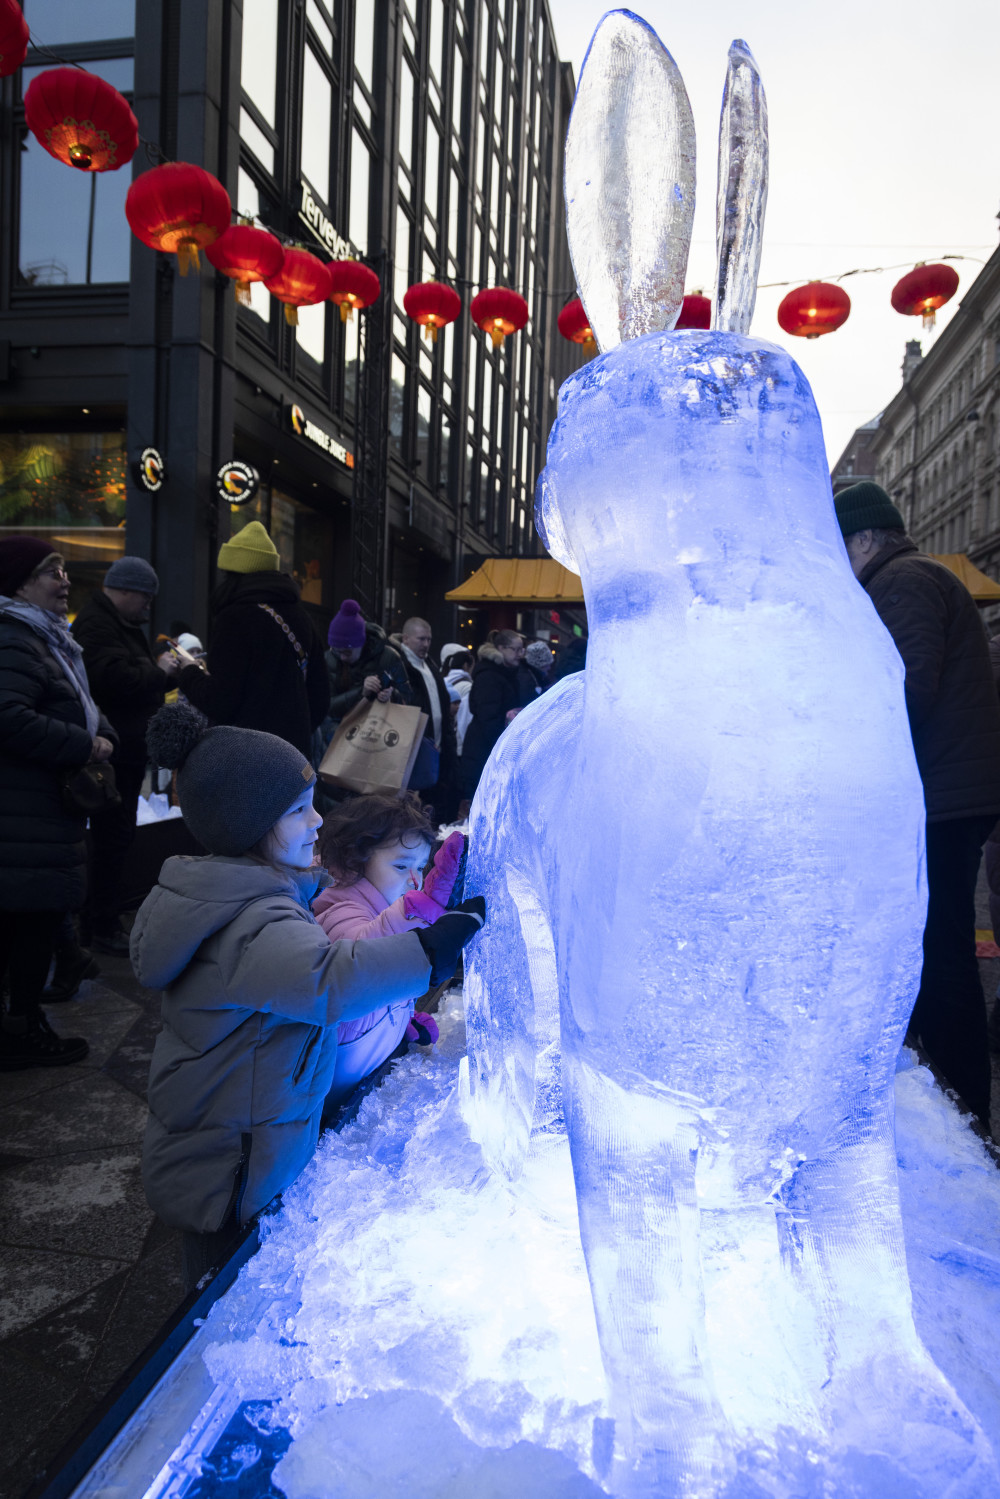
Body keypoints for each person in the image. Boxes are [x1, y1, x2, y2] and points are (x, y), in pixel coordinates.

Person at [133, 701, 485, 1288]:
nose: (319, 821)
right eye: (299, 811)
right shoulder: (250, 921)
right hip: (230, 1158)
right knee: (222, 1285)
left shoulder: (261, 897)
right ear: (249, 825)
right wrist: (433, 945)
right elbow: (332, 980)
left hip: (247, 1125)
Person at [835, 481, 1000, 1125]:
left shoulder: (900, 583)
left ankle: (963, 1115)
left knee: (939, 955)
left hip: (940, 800)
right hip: (945, 794)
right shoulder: (908, 578)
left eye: (837, 546)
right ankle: (955, 1105)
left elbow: (901, 690)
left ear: (866, 537)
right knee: (935, 949)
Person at [0, 538, 119, 1069]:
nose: (65, 580)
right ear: (20, 583)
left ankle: (23, 1021)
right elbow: (8, 717)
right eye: (52, 572)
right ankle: (20, 1027)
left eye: (65, 570)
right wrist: (84, 744)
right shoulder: (14, 638)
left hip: (42, 814)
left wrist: (103, 734)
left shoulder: (49, 641)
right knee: (26, 925)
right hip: (22, 816)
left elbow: (83, 708)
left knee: (37, 921)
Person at [71, 555, 194, 953]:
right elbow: (112, 679)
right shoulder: (98, 625)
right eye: (145, 597)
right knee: (111, 835)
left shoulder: (116, 624)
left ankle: (101, 916)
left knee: (116, 835)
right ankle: (99, 922)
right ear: (124, 589)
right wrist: (159, 672)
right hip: (110, 752)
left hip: (121, 750)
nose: (148, 606)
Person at [313, 796, 466, 1108]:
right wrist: (420, 909)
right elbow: (365, 957)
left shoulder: (385, 908)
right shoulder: (337, 908)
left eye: (422, 867)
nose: (415, 879)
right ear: (353, 862)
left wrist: (396, 1021)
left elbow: (388, 976)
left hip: (356, 1083)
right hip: (323, 1105)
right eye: (400, 866)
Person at [177, 521, 329, 759]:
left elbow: (221, 701)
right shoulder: (301, 617)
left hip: (247, 761)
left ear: (231, 573)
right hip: (295, 760)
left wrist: (188, 672)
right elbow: (320, 697)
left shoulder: (235, 618)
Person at [459, 630, 535, 802]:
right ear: (501, 648)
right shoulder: (489, 676)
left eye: (522, 650)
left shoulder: (506, 672)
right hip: (484, 752)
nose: (520, 655)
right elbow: (488, 718)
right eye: (515, 650)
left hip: (491, 749)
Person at [398, 617, 458, 817]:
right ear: (406, 639)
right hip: (414, 747)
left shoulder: (429, 666)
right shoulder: (400, 666)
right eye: (421, 639)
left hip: (435, 746)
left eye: (429, 640)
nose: (426, 644)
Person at [324, 598, 411, 728]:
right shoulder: (329, 659)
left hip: (380, 735)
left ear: (361, 644)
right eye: (337, 651)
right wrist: (361, 692)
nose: (342, 657)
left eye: (347, 652)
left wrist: (391, 696)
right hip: (338, 737)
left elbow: (408, 700)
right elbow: (325, 707)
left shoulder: (389, 657)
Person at [442, 648, 475, 755]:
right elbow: (465, 719)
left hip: (443, 739)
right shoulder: (468, 687)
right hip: (459, 744)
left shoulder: (442, 681)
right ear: (466, 665)